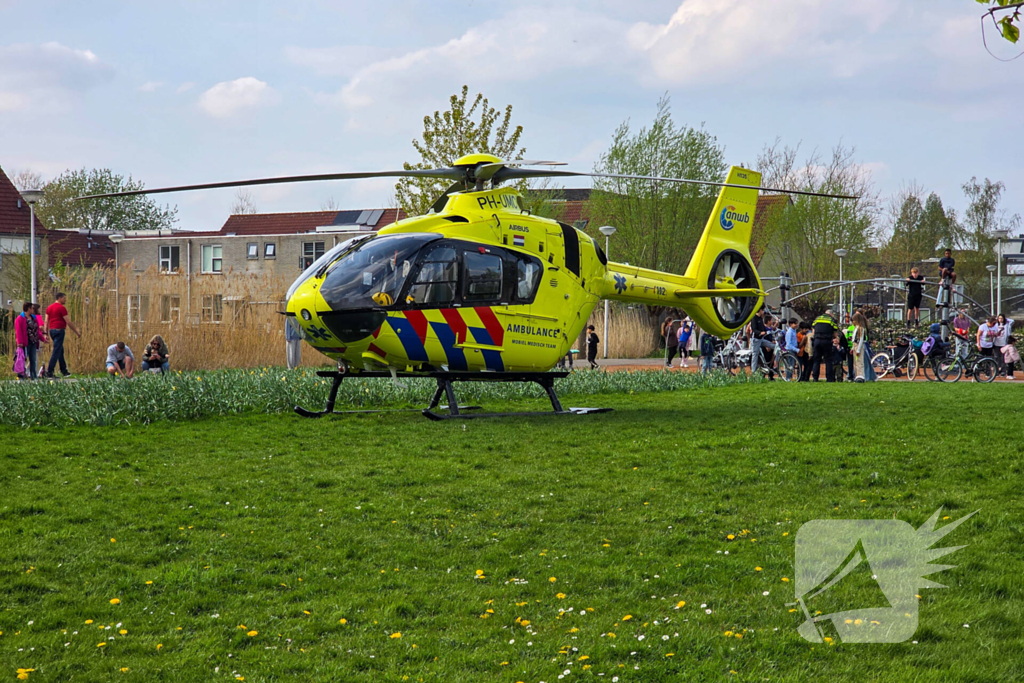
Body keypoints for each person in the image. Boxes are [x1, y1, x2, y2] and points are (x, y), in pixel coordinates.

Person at [43, 292, 81, 378]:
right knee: (56, 351)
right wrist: (76, 331)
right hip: (59, 331)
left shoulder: (49, 308)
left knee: (60, 350)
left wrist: (45, 333)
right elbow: (68, 322)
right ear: (59, 298)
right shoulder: (61, 308)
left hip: (52, 331)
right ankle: (50, 372)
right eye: (64, 298)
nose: (65, 300)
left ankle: (64, 370)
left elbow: (46, 321)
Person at [810, 308, 838, 382]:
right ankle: (829, 379)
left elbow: (813, 331)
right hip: (826, 341)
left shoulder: (817, 319)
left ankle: (815, 378)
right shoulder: (831, 320)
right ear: (831, 314)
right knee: (828, 360)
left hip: (817, 341)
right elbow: (835, 333)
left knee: (816, 360)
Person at [749, 307, 775, 379]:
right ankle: (753, 373)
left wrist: (770, 330)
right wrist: (760, 332)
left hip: (761, 339)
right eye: (762, 310)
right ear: (760, 310)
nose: (763, 312)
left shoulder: (761, 318)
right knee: (755, 355)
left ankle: (774, 365)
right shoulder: (754, 318)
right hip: (755, 339)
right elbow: (754, 329)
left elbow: (764, 328)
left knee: (774, 346)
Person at [850, 311, 876, 382]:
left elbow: (861, 339)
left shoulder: (861, 328)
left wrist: (858, 350)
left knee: (860, 361)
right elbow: (854, 339)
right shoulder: (856, 328)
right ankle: (857, 375)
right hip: (855, 345)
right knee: (856, 362)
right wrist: (853, 348)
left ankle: (861, 376)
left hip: (859, 346)